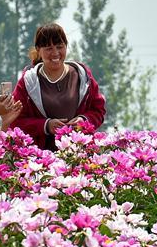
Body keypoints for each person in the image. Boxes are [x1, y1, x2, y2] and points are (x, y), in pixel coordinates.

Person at [11, 23, 106, 151]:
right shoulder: (28, 82)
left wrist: (83, 120)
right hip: (39, 160)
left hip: (79, 155)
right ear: (38, 50)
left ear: (66, 46)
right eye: (49, 48)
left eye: (59, 46)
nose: (55, 53)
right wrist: (45, 125)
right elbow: (15, 121)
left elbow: (98, 109)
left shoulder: (82, 75)